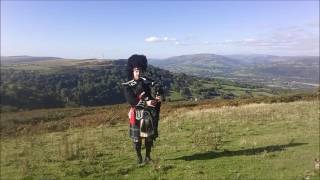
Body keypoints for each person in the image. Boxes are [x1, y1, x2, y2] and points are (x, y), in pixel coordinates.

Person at [123, 54, 161, 164]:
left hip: (147, 114)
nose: (138, 73)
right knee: (137, 139)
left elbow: (155, 90)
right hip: (136, 114)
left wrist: (158, 97)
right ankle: (139, 157)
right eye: (136, 71)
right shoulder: (128, 85)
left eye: (139, 70)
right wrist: (146, 102)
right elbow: (132, 101)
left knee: (148, 137)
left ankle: (148, 157)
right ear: (132, 71)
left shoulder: (147, 82)